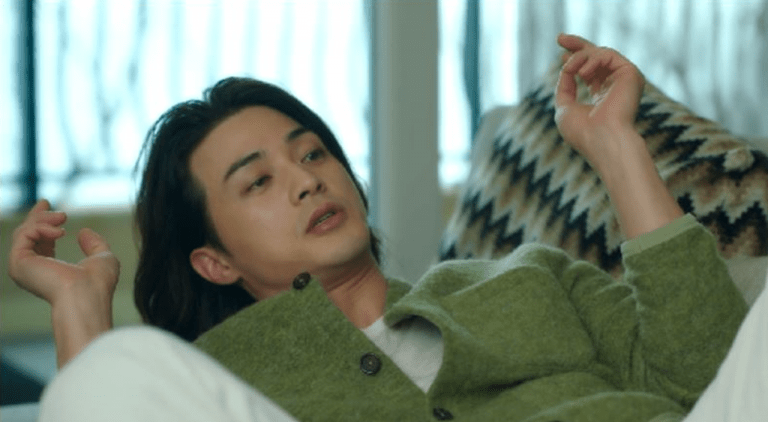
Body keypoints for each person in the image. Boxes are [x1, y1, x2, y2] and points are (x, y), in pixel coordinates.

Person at [6, 34, 763, 421]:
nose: (308, 178)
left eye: (313, 153)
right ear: (215, 263)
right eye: (259, 181)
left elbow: (706, 375)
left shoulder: (530, 278)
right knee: (119, 367)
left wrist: (616, 147)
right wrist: (79, 312)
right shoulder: (223, 380)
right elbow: (107, 398)